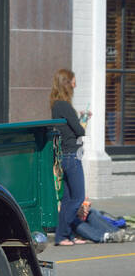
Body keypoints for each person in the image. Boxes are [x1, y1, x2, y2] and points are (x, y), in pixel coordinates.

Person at [51, 68, 88, 246]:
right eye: (73, 81)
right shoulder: (65, 106)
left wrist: (77, 117)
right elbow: (79, 130)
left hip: (64, 156)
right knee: (78, 197)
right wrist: (84, 121)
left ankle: (66, 235)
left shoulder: (57, 105)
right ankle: (62, 235)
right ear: (67, 83)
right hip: (72, 155)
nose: (76, 84)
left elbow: (67, 127)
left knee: (67, 199)